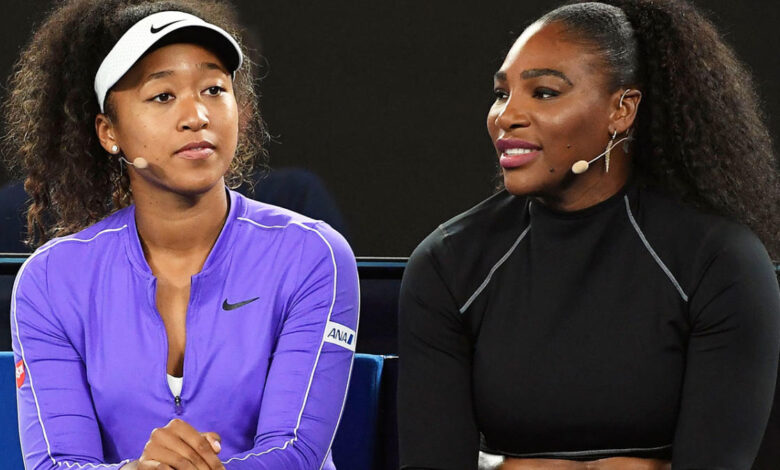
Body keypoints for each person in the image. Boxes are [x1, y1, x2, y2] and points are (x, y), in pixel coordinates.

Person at [398, 1, 780, 469]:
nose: (506, 115)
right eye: (502, 94)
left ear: (622, 109)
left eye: (543, 93)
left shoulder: (719, 260)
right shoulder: (448, 264)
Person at [3, 1, 359, 469]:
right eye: (163, 96)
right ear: (110, 132)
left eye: (213, 89)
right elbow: (55, 462)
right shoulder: (49, 281)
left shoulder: (314, 255)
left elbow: (297, 452)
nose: (196, 115)